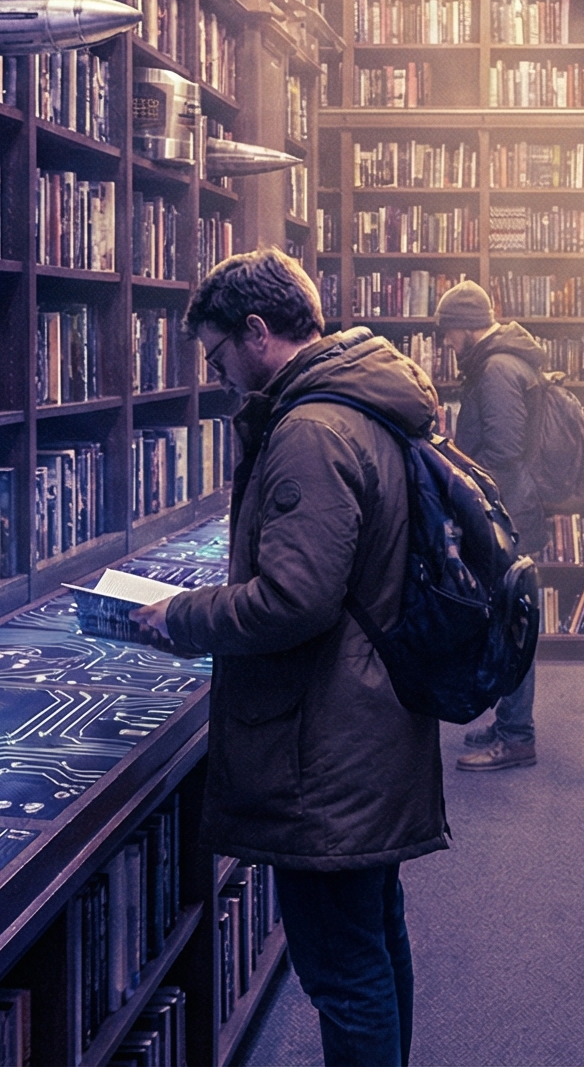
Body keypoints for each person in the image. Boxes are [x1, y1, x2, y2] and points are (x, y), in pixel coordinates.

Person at [133, 250, 446, 1067]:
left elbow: (294, 600)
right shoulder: (361, 402)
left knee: (342, 968)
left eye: (217, 356)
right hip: (370, 718)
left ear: (256, 331)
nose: (218, 376)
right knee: (372, 940)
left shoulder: (311, 428)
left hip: (326, 740)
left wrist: (180, 615)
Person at [434, 279, 555, 770]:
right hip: (512, 508)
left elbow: (502, 451)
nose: (446, 342)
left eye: (448, 331)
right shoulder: (499, 363)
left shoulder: (497, 369)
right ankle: (509, 721)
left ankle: (517, 735)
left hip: (506, 513)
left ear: (465, 327)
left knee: (511, 623)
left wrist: (464, 489)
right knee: (508, 618)